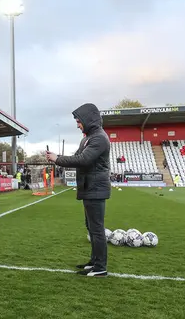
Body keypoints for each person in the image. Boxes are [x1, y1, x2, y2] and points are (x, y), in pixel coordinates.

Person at [46, 103, 111, 277]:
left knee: (97, 229)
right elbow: (76, 157)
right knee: (91, 228)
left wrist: (57, 158)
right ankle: (94, 262)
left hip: (96, 188)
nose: (77, 124)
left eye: (79, 120)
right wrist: (57, 157)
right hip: (89, 187)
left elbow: (83, 160)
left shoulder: (99, 138)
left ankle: (100, 268)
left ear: (88, 119)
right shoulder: (88, 137)